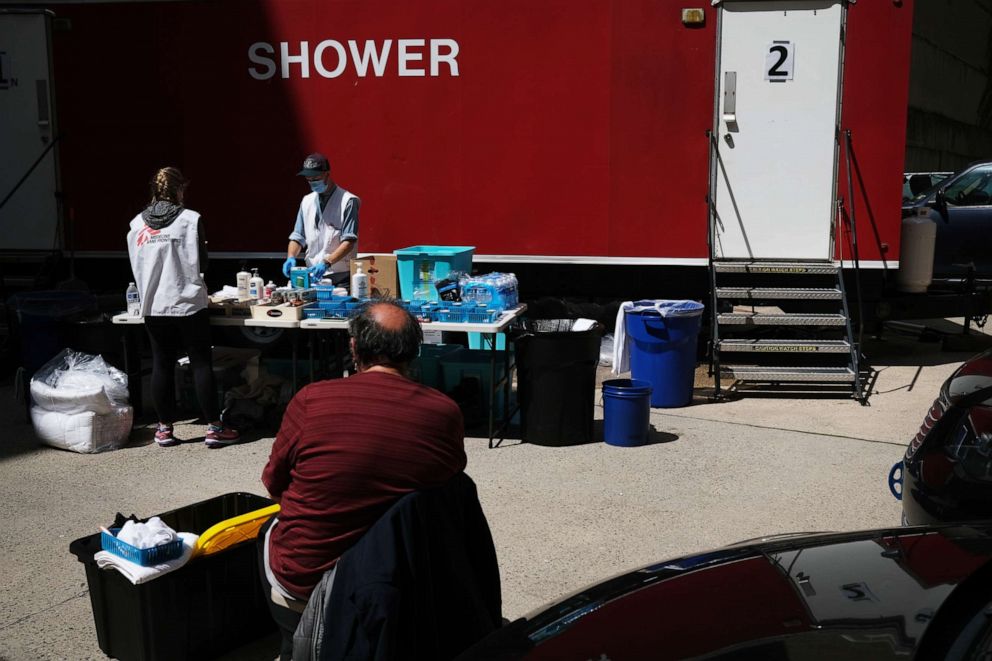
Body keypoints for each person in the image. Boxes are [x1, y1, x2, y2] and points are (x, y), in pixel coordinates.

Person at [259, 300, 466, 659]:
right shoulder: (444, 412)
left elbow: (274, 483)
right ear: (415, 351)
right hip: (398, 578)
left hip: (307, 576)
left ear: (354, 348)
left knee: (267, 530)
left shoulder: (311, 399)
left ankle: (293, 643)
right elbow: (446, 490)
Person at [126, 167, 240, 448]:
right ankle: (214, 427)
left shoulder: (136, 224)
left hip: (153, 303)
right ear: (178, 190)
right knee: (201, 362)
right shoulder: (190, 219)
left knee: (161, 363)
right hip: (188, 302)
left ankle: (164, 429)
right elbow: (202, 263)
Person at [282, 152, 360, 287]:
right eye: (309, 179)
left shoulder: (348, 201)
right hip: (313, 275)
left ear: (327, 174)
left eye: (316, 178)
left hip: (340, 277)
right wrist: (291, 257)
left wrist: (326, 262)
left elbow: (349, 241)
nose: (312, 182)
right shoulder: (307, 201)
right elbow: (297, 236)